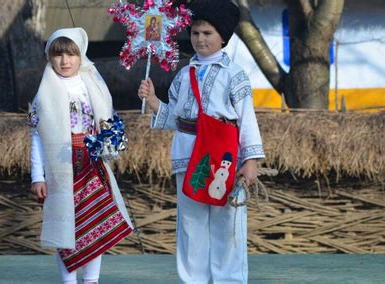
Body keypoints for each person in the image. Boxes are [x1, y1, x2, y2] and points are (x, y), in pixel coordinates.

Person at [137, 1, 265, 282]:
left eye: (207, 33)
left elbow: (246, 119)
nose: (200, 39)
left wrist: (252, 160)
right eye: (195, 33)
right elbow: (174, 117)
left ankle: (228, 280)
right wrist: (154, 100)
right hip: (187, 155)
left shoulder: (235, 76)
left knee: (227, 222)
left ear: (223, 37)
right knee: (190, 225)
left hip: (225, 159)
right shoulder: (183, 76)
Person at [29, 27, 133, 284]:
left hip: (91, 163)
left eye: (71, 54)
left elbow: (106, 121)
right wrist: (37, 176)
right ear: (49, 58)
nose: (65, 61)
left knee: (95, 222)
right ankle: (69, 281)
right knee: (66, 227)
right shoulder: (43, 95)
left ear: (81, 55)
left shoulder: (93, 85)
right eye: (58, 55)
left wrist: (109, 144)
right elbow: (37, 138)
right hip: (61, 167)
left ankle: (91, 280)